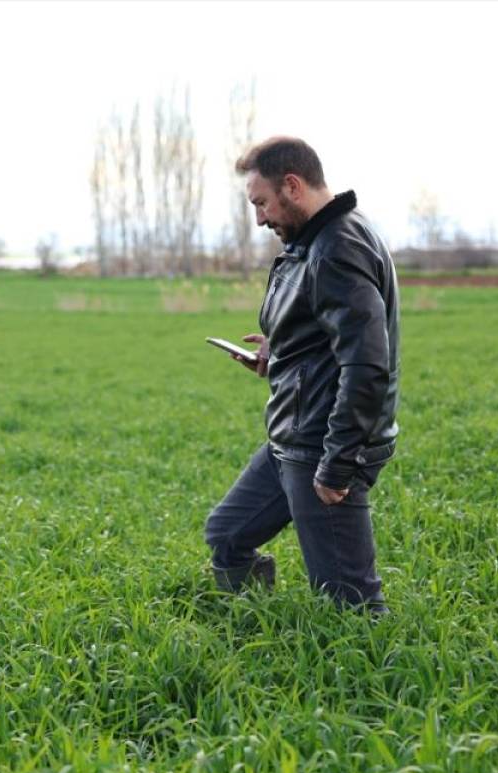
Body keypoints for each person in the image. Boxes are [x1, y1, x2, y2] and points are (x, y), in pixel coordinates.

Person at [204, 136, 400, 613]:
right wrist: (279, 351)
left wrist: (338, 464)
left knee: (349, 605)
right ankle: (250, 624)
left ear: (292, 186)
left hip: (322, 445)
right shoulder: (313, 240)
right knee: (227, 533)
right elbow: (327, 335)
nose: (260, 219)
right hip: (292, 437)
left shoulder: (337, 248)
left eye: (262, 203)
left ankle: (364, 661)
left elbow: (366, 365)